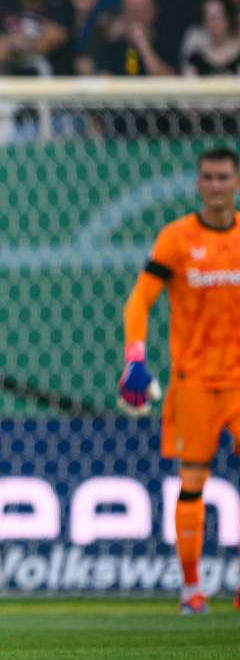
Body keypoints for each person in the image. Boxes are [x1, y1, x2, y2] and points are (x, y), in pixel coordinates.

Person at [120, 147, 240, 615]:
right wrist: (135, 359)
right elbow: (138, 302)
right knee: (192, 484)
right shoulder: (176, 239)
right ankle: (192, 588)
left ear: (234, 182)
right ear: (198, 184)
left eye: (223, 177)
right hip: (193, 383)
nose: (215, 185)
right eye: (208, 177)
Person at [181, 0, 240, 77]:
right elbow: (188, 85)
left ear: (228, 18)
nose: (214, 22)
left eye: (218, 16)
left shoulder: (238, 55)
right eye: (209, 17)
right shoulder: (196, 58)